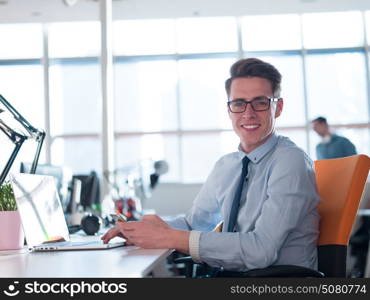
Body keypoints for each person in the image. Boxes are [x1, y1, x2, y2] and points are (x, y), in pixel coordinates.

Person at [102, 58, 320, 272]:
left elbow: (260, 250)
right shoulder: (227, 165)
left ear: (278, 107)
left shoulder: (290, 161)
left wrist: (170, 236)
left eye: (260, 102)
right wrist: (142, 229)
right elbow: (193, 224)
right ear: (229, 109)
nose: (248, 113)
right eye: (238, 103)